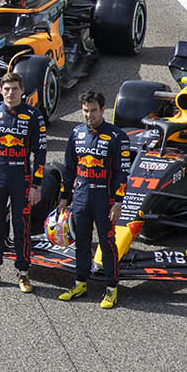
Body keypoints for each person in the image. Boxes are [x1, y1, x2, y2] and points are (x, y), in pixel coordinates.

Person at [0, 72, 48, 293]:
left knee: (21, 225)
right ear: (0, 91)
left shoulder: (33, 115)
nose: (10, 93)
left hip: (21, 179)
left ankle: (23, 272)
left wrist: (37, 185)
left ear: (22, 91)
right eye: (6, 89)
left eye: (14, 89)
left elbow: (40, 152)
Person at [57, 91, 127, 309]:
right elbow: (69, 169)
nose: (89, 115)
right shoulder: (76, 133)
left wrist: (118, 202)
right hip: (81, 197)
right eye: (85, 111)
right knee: (82, 243)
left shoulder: (117, 137)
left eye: (93, 110)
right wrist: (63, 197)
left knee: (107, 244)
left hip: (105, 200)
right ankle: (80, 283)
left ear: (103, 109)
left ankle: (111, 288)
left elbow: (122, 173)